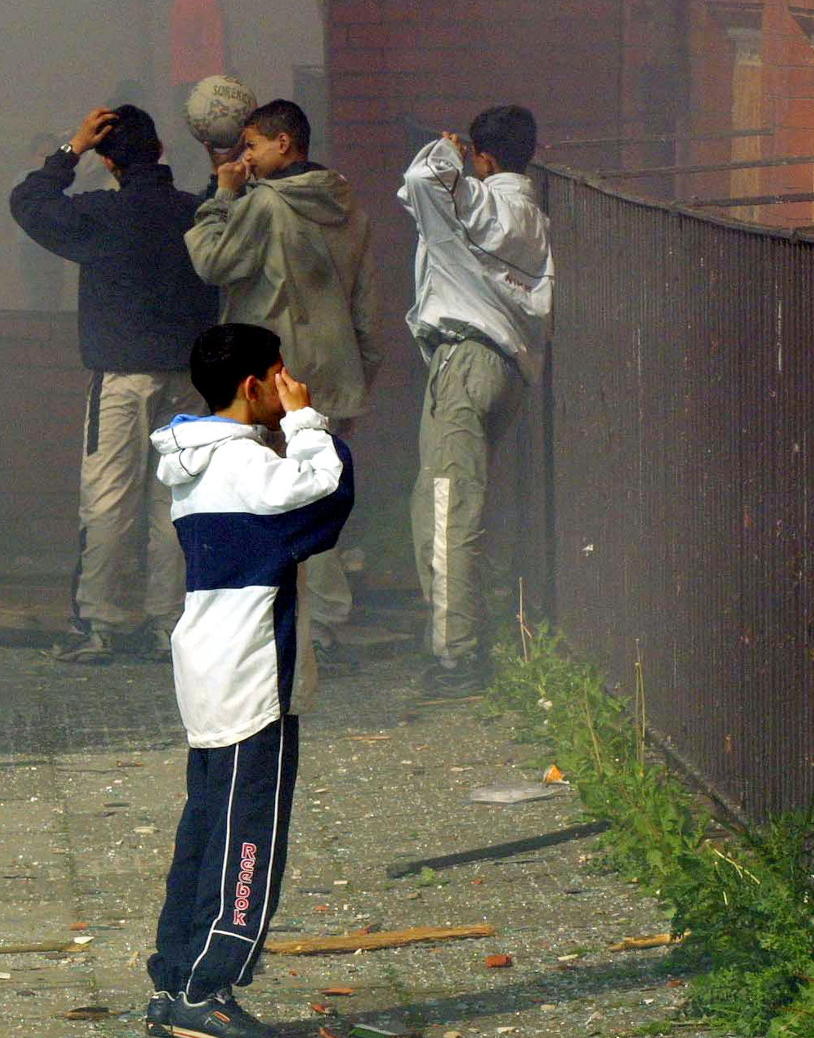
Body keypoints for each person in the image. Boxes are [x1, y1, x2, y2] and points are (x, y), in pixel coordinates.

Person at [143, 322, 354, 1038]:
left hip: (209, 660)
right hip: (249, 672)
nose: (288, 380)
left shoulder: (194, 457)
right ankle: (208, 987)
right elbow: (326, 496)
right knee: (247, 839)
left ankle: (177, 978)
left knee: (205, 829)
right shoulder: (243, 465)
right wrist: (305, 419)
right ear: (252, 385)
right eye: (279, 372)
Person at [10, 106, 219, 663]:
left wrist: (68, 150)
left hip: (123, 376)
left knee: (107, 501)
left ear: (107, 159)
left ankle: (101, 621)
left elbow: (27, 204)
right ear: (159, 152)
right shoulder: (193, 212)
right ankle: (169, 623)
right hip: (189, 379)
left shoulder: (102, 213)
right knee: (175, 503)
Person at [184, 99, 380, 667]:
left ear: (283, 143)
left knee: (275, 496)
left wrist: (222, 196)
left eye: (251, 145)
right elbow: (366, 306)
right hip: (335, 372)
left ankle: (287, 622)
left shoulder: (265, 204)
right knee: (318, 492)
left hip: (272, 378)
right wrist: (359, 374)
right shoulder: (349, 206)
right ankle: (329, 621)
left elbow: (212, 262)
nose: (244, 156)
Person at [399, 106, 553, 697]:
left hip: (463, 361)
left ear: (483, 157)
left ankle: (456, 657)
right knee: (454, 505)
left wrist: (445, 154)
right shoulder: (531, 218)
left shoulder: (481, 203)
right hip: (507, 368)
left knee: (444, 509)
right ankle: (460, 636)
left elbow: (421, 183)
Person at [16, 133, 66, 310]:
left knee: (54, 287)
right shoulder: (24, 178)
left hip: (54, 243)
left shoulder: (64, 180)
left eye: (51, 156)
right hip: (30, 244)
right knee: (35, 287)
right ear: (31, 158)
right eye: (41, 155)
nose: (47, 161)